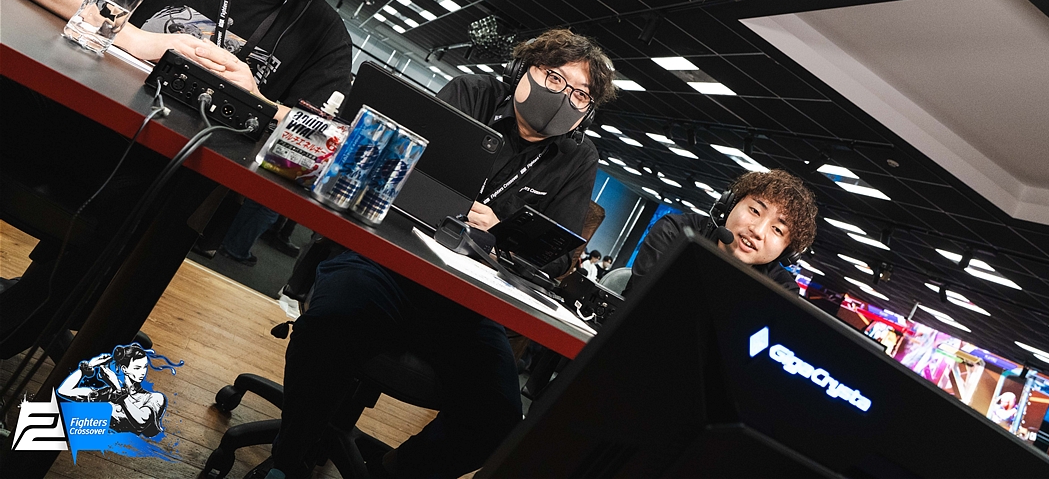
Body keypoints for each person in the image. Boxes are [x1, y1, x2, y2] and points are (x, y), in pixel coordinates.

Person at [0, 0, 371, 357]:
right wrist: (133, 38)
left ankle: (34, 320)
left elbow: (329, 142)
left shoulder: (323, 34)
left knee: (150, 229)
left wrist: (257, 101)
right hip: (65, 124)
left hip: (155, 180)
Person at [259, 29, 616, 479]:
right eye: (555, 78)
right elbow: (402, 169)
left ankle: (390, 472)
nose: (564, 97)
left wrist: (500, 230)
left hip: (467, 304)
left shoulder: (578, 157)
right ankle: (289, 459)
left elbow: (557, 252)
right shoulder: (471, 94)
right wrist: (456, 206)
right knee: (329, 329)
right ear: (524, 69)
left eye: (580, 95)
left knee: (497, 420)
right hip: (388, 265)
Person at [623, 169, 818, 296]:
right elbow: (651, 305)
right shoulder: (674, 232)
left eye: (777, 229)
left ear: (787, 251)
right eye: (754, 211)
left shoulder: (781, 289)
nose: (757, 231)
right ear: (730, 205)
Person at [56, 343, 182, 437]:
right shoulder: (107, 393)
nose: (143, 372)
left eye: (144, 367)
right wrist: (88, 366)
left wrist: (117, 388)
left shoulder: (154, 397)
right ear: (124, 369)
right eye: (137, 368)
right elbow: (64, 391)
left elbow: (141, 421)